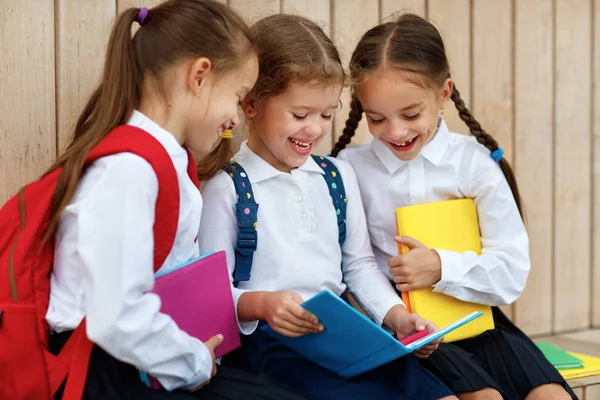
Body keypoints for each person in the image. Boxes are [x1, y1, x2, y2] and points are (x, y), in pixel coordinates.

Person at [46, 1, 305, 398]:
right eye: (237, 95)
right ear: (199, 76)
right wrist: (195, 363)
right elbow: (116, 316)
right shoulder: (128, 171)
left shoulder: (168, 161)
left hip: (148, 358)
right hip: (102, 370)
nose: (236, 118)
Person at [199, 13, 457, 400]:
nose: (315, 129)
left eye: (326, 114)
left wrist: (396, 316)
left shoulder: (337, 176)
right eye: (300, 115)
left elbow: (358, 266)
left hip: (349, 337)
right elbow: (214, 295)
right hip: (278, 349)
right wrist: (263, 304)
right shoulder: (228, 187)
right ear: (251, 103)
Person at [333, 13, 576, 400]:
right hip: (405, 329)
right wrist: (396, 317)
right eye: (376, 118)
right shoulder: (350, 168)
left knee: (552, 395)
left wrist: (441, 267)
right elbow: (356, 265)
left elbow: (511, 271)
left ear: (444, 93)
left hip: (478, 319)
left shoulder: (473, 163)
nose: (395, 131)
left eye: (411, 114)